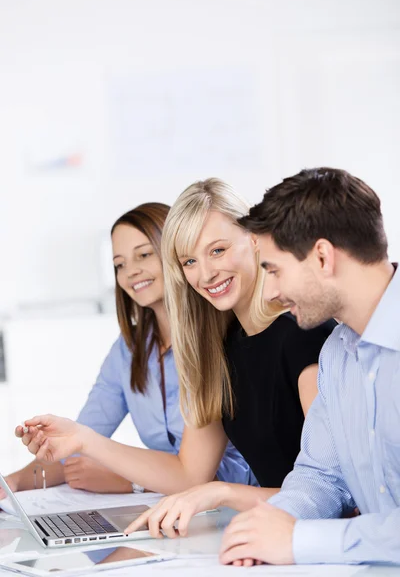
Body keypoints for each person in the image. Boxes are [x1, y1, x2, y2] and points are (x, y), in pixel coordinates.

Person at [15, 179, 334, 513]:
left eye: (217, 250)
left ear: (254, 239)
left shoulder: (304, 335)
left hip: (313, 540)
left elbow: (332, 494)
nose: (206, 274)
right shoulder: (220, 349)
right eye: (189, 261)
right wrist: (82, 438)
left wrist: (222, 493)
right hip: (268, 529)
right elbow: (189, 473)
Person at [3, 202, 249, 499]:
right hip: (175, 508)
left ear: (176, 254)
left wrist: (129, 480)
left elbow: (205, 473)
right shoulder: (129, 350)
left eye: (144, 255)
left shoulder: (217, 340)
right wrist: (11, 484)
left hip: (236, 508)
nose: (131, 271)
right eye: (120, 264)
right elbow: (75, 441)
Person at [218, 167, 400, 566]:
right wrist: (270, 528)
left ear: (322, 257)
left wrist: (301, 540)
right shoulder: (337, 352)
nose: (271, 292)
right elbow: (320, 475)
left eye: (274, 270)